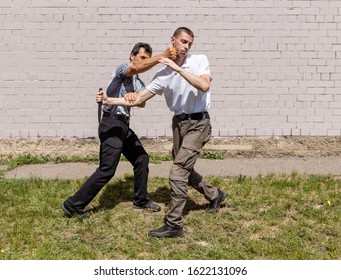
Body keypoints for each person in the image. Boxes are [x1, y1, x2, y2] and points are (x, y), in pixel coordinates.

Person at [98, 27, 226, 238]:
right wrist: (109, 100)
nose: (186, 46)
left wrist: (177, 68)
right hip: (179, 124)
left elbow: (203, 85)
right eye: (183, 42)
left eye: (189, 43)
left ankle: (174, 224)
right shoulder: (162, 74)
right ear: (173, 41)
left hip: (199, 122)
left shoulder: (199, 60)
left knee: (178, 171)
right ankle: (215, 195)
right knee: (183, 166)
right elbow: (139, 99)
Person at [61, 42, 177, 218]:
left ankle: (141, 199)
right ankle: (72, 205)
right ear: (132, 56)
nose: (144, 62)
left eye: (147, 58)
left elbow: (142, 102)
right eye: (142, 57)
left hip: (123, 126)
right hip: (111, 124)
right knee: (107, 169)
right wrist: (162, 56)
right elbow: (136, 68)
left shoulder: (138, 82)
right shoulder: (123, 69)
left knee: (141, 158)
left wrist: (133, 97)